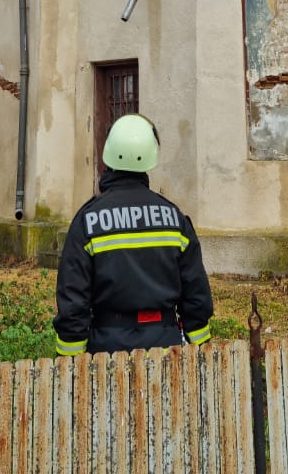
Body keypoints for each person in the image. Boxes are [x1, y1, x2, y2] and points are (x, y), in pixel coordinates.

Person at [54, 113, 213, 357]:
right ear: (151, 157)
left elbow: (73, 302)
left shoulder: (87, 221)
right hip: (167, 349)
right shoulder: (175, 219)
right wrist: (199, 351)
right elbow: (196, 297)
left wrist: (72, 365)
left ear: (108, 156)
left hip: (107, 350)